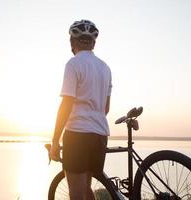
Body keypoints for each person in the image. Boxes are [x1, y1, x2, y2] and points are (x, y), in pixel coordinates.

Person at [50, 19, 112, 200]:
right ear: (93, 43)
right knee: (86, 189)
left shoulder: (73, 64)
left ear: (72, 42)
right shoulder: (105, 68)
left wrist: (55, 140)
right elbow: (105, 108)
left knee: (76, 194)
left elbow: (67, 104)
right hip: (99, 135)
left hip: (78, 134)